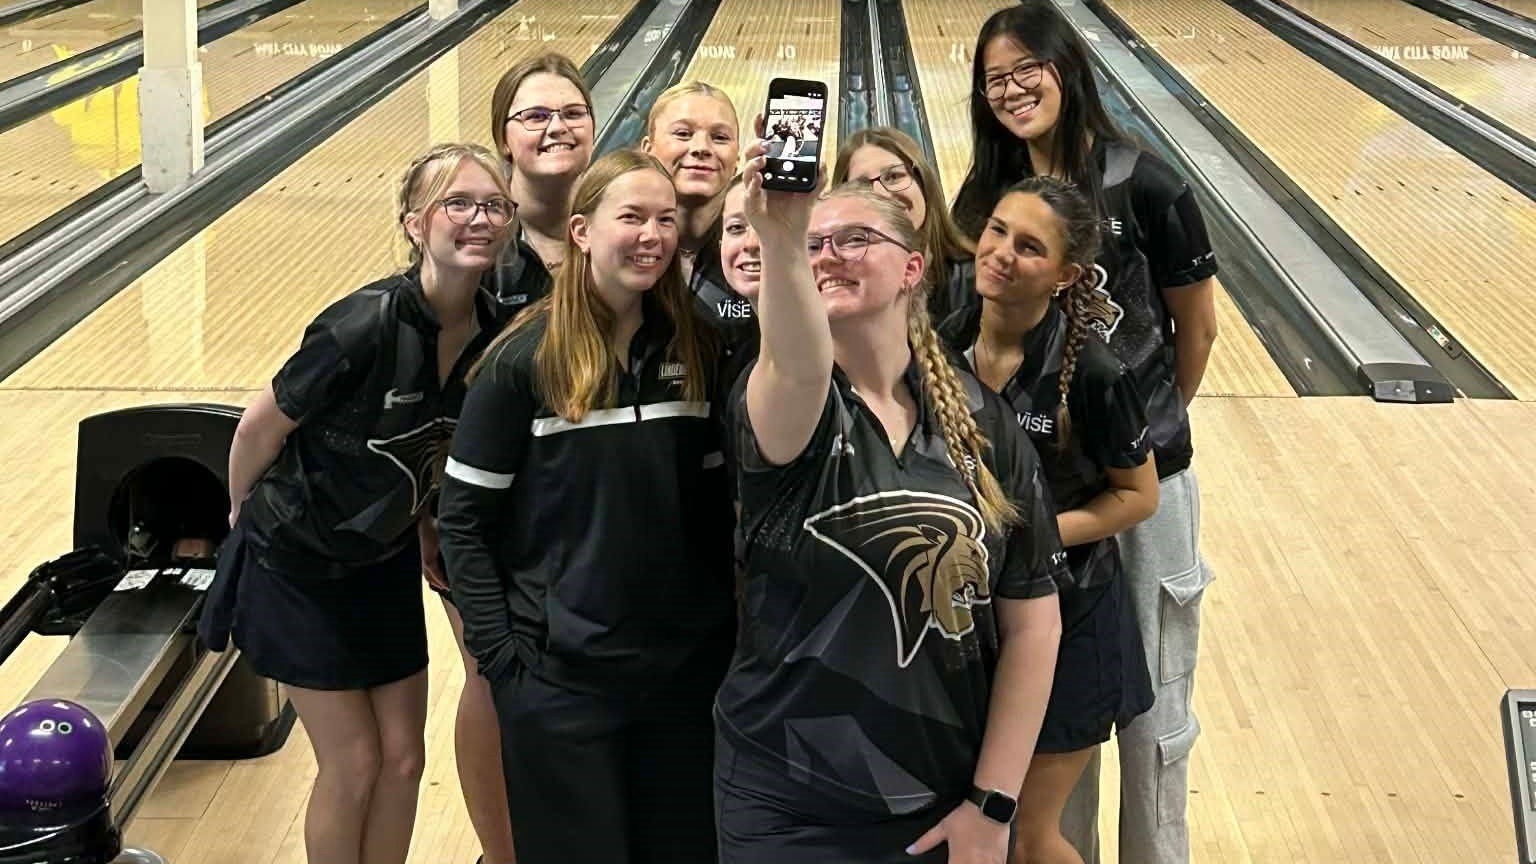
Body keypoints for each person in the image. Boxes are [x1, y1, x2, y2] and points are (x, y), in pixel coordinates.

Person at [712, 124, 1066, 864]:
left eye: (853, 240)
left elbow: (1033, 624)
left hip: (941, 798)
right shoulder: (786, 399)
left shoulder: (983, 424)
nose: (827, 255)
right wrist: (781, 237)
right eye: (816, 244)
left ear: (912, 268)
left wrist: (994, 806)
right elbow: (801, 363)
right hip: (788, 798)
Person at [951, 4, 1221, 862]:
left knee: (1151, 715)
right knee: (1049, 723)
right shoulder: (986, 199)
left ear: (1068, 66)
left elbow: (1197, 331)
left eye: (1028, 66)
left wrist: (1129, 431)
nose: (1014, 88)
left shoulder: (1146, 182)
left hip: (1139, 486)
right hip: (1025, 498)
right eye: (995, 78)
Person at [199, 143, 515, 864]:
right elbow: (259, 427)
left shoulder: (496, 333)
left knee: (403, 759)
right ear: (415, 224)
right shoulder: (362, 323)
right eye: (457, 204)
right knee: (355, 764)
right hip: (298, 566)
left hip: (382, 560)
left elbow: (443, 452)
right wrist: (243, 518)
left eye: (494, 206)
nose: (479, 219)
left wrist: (429, 524)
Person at [436, 149, 734, 864]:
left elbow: (719, 509)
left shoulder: (699, 349)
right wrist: (505, 668)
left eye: (665, 220)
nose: (651, 235)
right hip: (561, 686)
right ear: (580, 231)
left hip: (682, 682)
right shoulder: (523, 361)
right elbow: (463, 525)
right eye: (631, 217)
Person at [941, 177, 1160, 864]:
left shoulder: (1093, 374)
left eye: (1029, 247)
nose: (1002, 253)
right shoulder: (944, 346)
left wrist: (1030, 537)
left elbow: (1138, 496)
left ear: (1065, 276)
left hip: (1075, 624)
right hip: (981, 623)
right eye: (998, 231)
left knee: (1030, 840)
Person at [485, 51, 595, 322]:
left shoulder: (625, 225)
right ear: (503, 140)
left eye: (573, 113)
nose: (557, 126)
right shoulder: (475, 235)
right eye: (536, 116)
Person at [639, 82, 750, 346]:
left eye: (720, 137)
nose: (701, 147)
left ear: (737, 160)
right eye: (683, 133)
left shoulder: (763, 251)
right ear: (648, 150)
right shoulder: (619, 250)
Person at [831, 127, 978, 322]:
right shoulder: (831, 291)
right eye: (862, 186)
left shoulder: (977, 282)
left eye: (893, 177)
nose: (881, 194)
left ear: (923, 182)